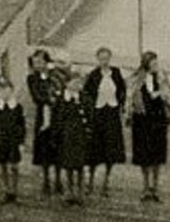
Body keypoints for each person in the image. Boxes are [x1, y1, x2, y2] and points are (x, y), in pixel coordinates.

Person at [81, 47, 127, 197]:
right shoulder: (93, 75)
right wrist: (90, 112)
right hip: (98, 115)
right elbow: (86, 94)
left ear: (110, 58)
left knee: (110, 149)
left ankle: (105, 184)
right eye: (101, 58)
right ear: (98, 59)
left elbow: (122, 91)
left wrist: (121, 106)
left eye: (106, 58)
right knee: (94, 150)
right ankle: (90, 183)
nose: (104, 61)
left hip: (112, 114)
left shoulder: (116, 73)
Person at [128, 51, 170, 202]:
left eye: (156, 63)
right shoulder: (137, 77)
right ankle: (145, 186)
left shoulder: (162, 76)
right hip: (142, 119)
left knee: (157, 154)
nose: (156, 66)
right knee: (144, 154)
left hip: (158, 118)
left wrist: (161, 94)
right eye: (153, 63)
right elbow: (131, 96)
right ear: (146, 64)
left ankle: (155, 187)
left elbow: (168, 95)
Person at [25, 49, 65, 198]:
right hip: (43, 117)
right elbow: (37, 97)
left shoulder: (56, 76)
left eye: (41, 62)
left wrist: (56, 98)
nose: (38, 65)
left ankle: (58, 181)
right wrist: (50, 99)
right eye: (35, 62)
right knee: (44, 149)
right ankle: (46, 181)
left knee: (58, 148)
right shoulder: (32, 79)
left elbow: (62, 91)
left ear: (47, 62)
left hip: (57, 116)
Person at [52, 74, 92, 206]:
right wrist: (56, 134)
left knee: (80, 165)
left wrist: (89, 131)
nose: (77, 85)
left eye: (79, 83)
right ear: (67, 83)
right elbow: (57, 117)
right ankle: (68, 192)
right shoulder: (62, 99)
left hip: (80, 135)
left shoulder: (84, 98)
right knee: (68, 165)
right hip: (66, 135)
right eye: (74, 83)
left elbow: (89, 114)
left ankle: (80, 193)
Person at [0, 80, 27, 204]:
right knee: (3, 165)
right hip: (1, 140)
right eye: (1, 90)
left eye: (7, 90)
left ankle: (14, 191)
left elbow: (22, 126)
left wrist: (21, 142)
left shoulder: (17, 107)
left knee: (14, 166)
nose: (4, 93)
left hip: (13, 141)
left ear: (11, 91)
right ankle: (6, 190)